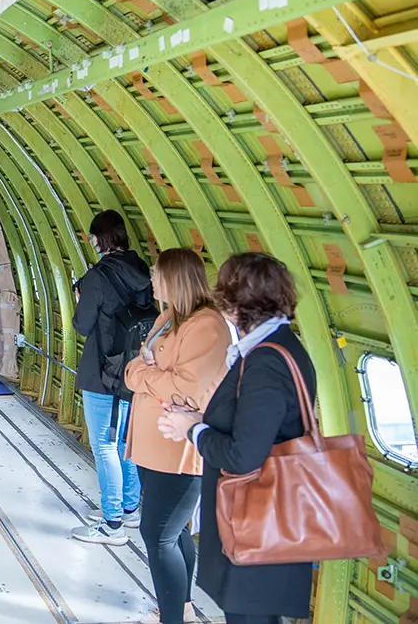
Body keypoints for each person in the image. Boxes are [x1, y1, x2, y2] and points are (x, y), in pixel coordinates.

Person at [159, 253, 317, 624]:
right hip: (267, 519)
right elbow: (258, 424)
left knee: (249, 617)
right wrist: (202, 418)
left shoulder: (266, 362)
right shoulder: (281, 347)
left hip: (257, 524)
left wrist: (192, 430)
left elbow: (243, 455)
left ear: (236, 302)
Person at [124, 249, 230, 624]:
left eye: (157, 273)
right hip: (154, 446)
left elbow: (187, 388)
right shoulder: (168, 317)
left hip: (180, 450)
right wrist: (149, 376)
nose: (151, 279)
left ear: (176, 278)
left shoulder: (207, 326)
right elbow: (133, 369)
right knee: (173, 532)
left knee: (158, 535)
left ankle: (172, 618)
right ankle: (180, 607)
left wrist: (146, 376)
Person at [70, 209, 153, 544]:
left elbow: (81, 325)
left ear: (99, 239)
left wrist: (80, 299)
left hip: (103, 368)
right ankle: (130, 508)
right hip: (135, 367)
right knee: (125, 442)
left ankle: (112, 521)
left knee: (104, 445)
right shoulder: (141, 269)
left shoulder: (97, 277)